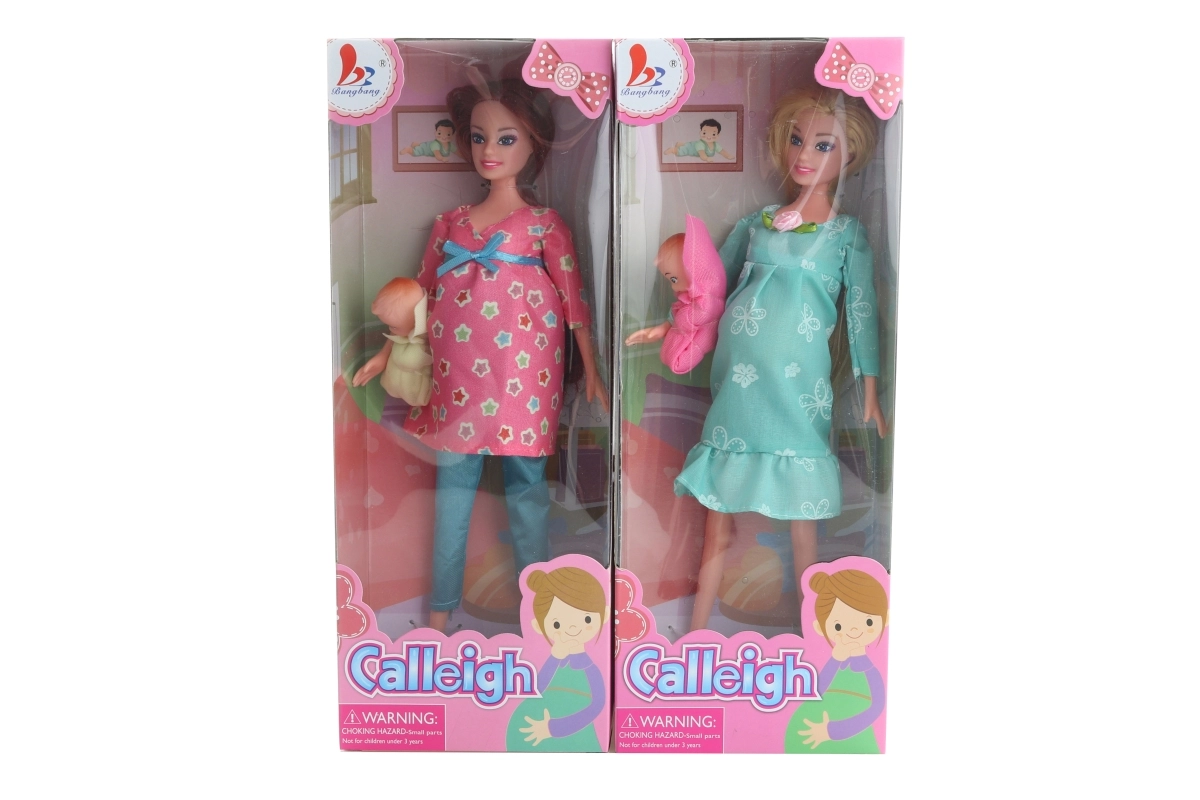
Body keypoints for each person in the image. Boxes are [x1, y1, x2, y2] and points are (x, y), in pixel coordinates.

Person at [354, 79, 608, 633]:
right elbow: (418, 292)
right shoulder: (452, 223)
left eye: (506, 138)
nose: (489, 150)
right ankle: (439, 612)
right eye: (478, 137)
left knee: (527, 489)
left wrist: (591, 366)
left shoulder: (543, 224)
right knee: (453, 491)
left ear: (534, 144)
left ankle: (545, 612)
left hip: (526, 370)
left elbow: (573, 299)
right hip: (458, 372)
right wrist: (386, 352)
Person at [674, 88, 889, 630]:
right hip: (737, 386)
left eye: (823, 145)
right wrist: (678, 325)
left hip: (799, 389)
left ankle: (813, 633)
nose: (804, 155)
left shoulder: (846, 235)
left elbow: (861, 310)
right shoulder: (757, 223)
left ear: (851, 156)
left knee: (802, 522)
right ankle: (695, 632)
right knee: (716, 518)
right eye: (797, 140)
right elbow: (711, 287)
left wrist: (869, 384)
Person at [785, 568, 887, 753]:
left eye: (868, 622)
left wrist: (833, 731)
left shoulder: (870, 669)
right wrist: (834, 660)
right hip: (803, 738)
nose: (854, 631)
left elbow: (877, 708)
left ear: (885, 619)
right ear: (819, 627)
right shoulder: (834, 662)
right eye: (838, 626)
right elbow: (817, 689)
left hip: (851, 739)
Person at [506, 567, 608, 751]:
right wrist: (554, 658)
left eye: (586, 619)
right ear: (539, 626)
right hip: (527, 738)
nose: (572, 628)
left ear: (605, 616)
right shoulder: (554, 661)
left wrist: (554, 728)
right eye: (557, 624)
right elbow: (536, 688)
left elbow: (597, 705)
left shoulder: (590, 668)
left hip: (573, 736)